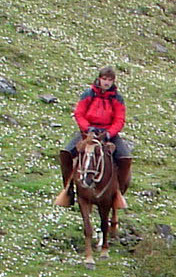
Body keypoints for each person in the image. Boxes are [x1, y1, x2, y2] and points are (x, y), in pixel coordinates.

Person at [56, 67, 130, 210]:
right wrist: (87, 128)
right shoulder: (88, 94)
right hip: (87, 132)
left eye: (110, 80)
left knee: (125, 157)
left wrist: (109, 133)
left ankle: (118, 192)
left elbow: (119, 119)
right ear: (99, 79)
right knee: (66, 152)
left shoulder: (117, 98)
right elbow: (79, 114)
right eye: (104, 79)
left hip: (108, 133)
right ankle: (68, 189)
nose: (107, 82)